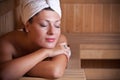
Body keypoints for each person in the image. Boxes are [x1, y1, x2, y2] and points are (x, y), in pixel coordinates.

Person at [0, 0, 71, 80]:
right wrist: (46, 52)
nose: (52, 32)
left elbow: (55, 71)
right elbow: (3, 74)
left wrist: (17, 68)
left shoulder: (60, 39)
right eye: (44, 25)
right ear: (27, 26)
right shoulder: (8, 42)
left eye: (57, 25)